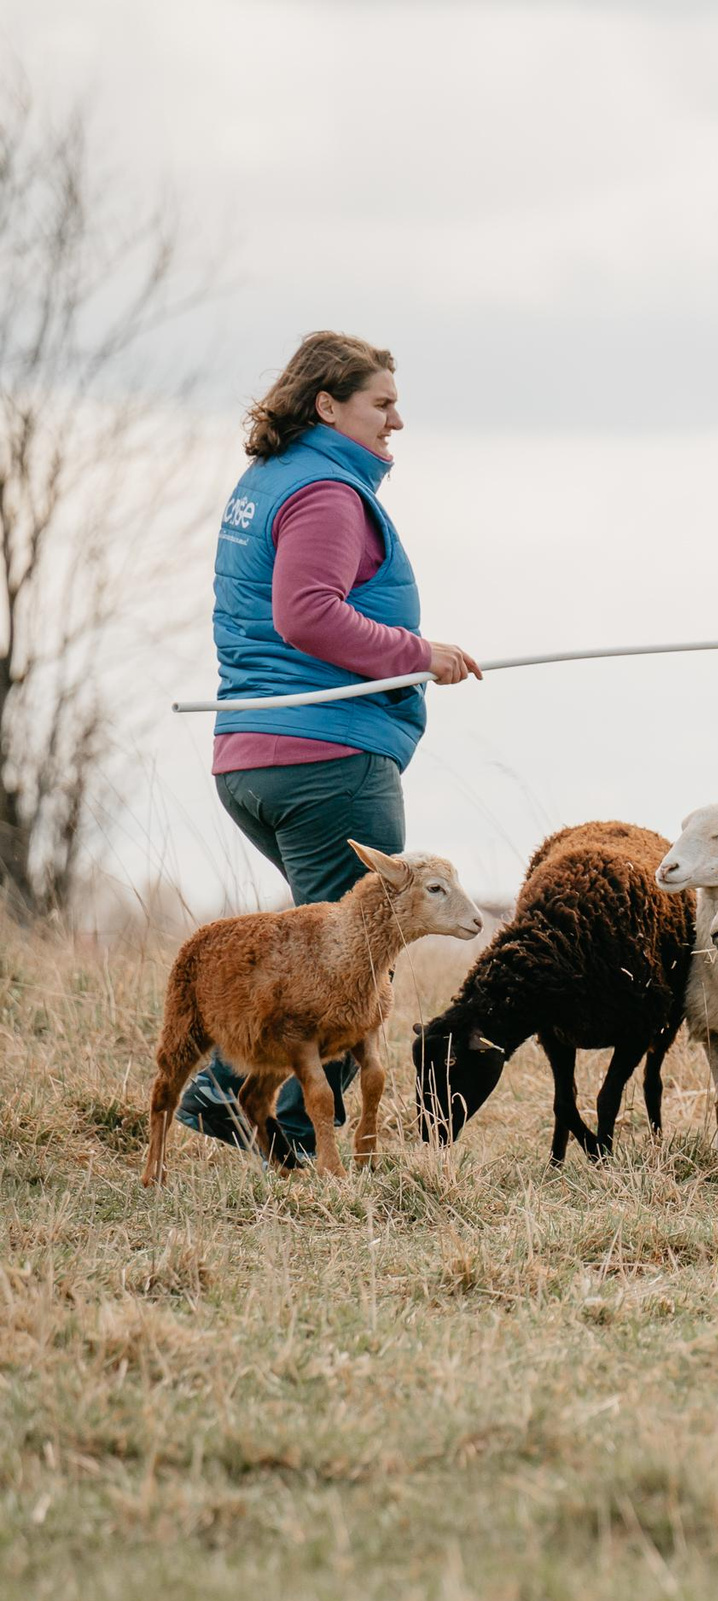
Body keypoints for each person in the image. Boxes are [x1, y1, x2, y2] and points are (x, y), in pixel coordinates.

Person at [174, 332, 482, 1165]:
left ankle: (270, 1128)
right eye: (382, 403)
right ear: (327, 406)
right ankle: (237, 1107)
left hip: (253, 758)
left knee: (322, 948)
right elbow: (306, 613)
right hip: (325, 762)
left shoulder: (268, 480)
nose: (398, 420)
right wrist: (419, 654)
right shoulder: (325, 492)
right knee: (355, 967)